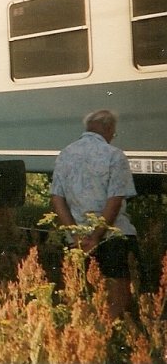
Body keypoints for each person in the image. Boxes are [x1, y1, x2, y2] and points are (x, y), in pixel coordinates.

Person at [50, 109, 138, 320]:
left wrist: (75, 234)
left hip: (77, 240)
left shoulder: (65, 154)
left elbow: (57, 199)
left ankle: (90, 332)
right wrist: (96, 236)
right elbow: (115, 200)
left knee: (83, 294)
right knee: (118, 294)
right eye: (113, 132)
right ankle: (115, 331)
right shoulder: (114, 155)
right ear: (108, 128)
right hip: (112, 236)